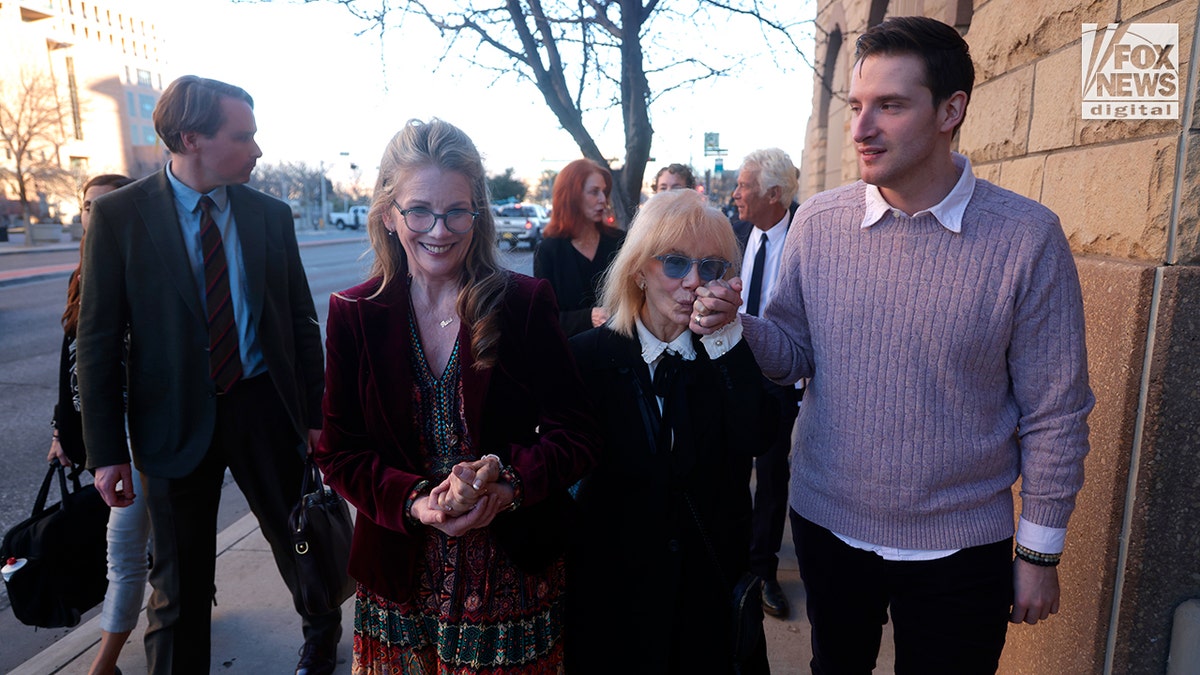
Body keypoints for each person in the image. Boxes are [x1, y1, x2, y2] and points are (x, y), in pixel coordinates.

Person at [692, 16, 1094, 673]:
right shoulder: (818, 222)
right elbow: (794, 352)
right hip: (828, 525)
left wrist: (1039, 552)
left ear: (950, 111)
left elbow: (1056, 412)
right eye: (856, 106)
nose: (861, 128)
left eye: (890, 105)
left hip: (963, 546)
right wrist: (737, 325)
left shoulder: (1027, 238)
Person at [315, 118, 600, 674]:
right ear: (389, 214)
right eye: (420, 211)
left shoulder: (522, 303)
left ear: (478, 214)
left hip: (511, 583)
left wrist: (509, 484)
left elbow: (578, 434)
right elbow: (339, 451)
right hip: (398, 583)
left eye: (456, 212)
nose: (439, 231)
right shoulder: (354, 314)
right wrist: (414, 501)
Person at [76, 76, 340, 675]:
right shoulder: (119, 216)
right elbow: (97, 341)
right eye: (243, 136)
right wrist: (106, 452)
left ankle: (320, 635)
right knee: (179, 581)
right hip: (171, 423)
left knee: (299, 540)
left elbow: (301, 322)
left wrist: (315, 415)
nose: (257, 150)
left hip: (264, 409)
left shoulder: (269, 215)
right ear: (192, 138)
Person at [566, 189, 776, 674]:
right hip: (615, 605)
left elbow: (758, 436)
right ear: (639, 269)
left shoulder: (727, 352)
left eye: (711, 267)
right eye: (676, 263)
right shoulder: (587, 357)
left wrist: (724, 339)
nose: (694, 282)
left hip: (708, 603)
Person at [48, 173, 143, 675]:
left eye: (107, 205)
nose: (95, 215)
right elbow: (72, 360)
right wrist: (60, 430)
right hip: (99, 434)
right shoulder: (83, 271)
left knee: (123, 551)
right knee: (144, 543)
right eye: (88, 207)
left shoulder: (144, 268)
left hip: (139, 432)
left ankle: (103, 665)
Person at [731, 148, 802, 620]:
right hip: (734, 370)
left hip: (782, 378)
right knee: (730, 469)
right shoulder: (734, 233)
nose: (736, 194)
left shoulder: (806, 237)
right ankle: (731, 560)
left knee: (773, 477)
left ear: (773, 194)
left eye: (744, 186)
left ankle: (763, 572)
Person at [534, 158, 625, 336]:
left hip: (618, 346)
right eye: (594, 192)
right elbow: (543, 317)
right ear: (571, 196)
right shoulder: (548, 250)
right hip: (569, 350)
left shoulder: (619, 242)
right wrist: (588, 318)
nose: (603, 200)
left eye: (604, 192)